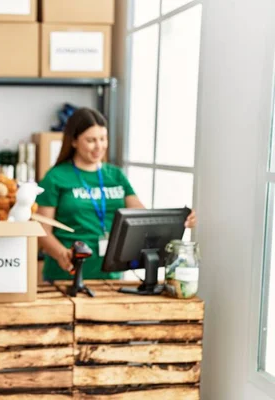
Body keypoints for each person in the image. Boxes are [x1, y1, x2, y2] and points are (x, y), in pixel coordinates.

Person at [36, 107, 196, 282]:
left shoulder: (116, 175)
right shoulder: (55, 177)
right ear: (74, 141)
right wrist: (61, 254)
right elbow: (42, 230)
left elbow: (143, 217)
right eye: (91, 140)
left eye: (103, 139)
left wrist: (181, 220)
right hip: (67, 275)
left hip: (111, 276)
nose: (99, 146)